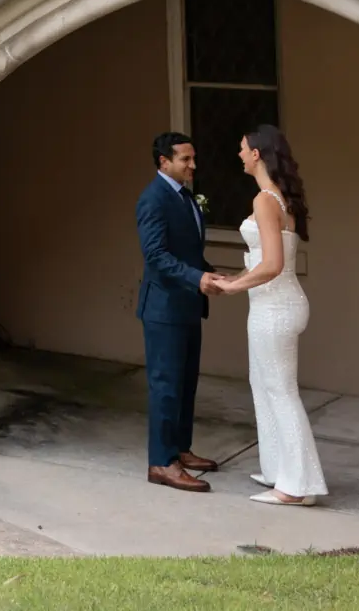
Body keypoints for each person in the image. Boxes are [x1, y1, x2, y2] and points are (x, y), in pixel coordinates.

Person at [206, 124, 328, 506]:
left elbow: (273, 264)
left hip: (274, 307)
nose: (240, 154)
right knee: (263, 385)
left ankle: (296, 487)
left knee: (280, 391)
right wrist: (235, 277)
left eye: (243, 148)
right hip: (276, 303)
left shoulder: (264, 200)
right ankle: (279, 470)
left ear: (257, 154)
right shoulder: (280, 198)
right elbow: (267, 259)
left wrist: (232, 288)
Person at [136, 131, 217, 491]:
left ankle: (180, 449)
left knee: (186, 384)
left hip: (188, 304)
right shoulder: (153, 199)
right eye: (185, 159)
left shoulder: (186, 197)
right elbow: (155, 255)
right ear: (164, 162)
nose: (193, 165)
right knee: (165, 387)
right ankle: (161, 462)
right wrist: (197, 278)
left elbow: (188, 252)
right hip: (164, 308)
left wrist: (210, 273)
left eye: (193, 158)